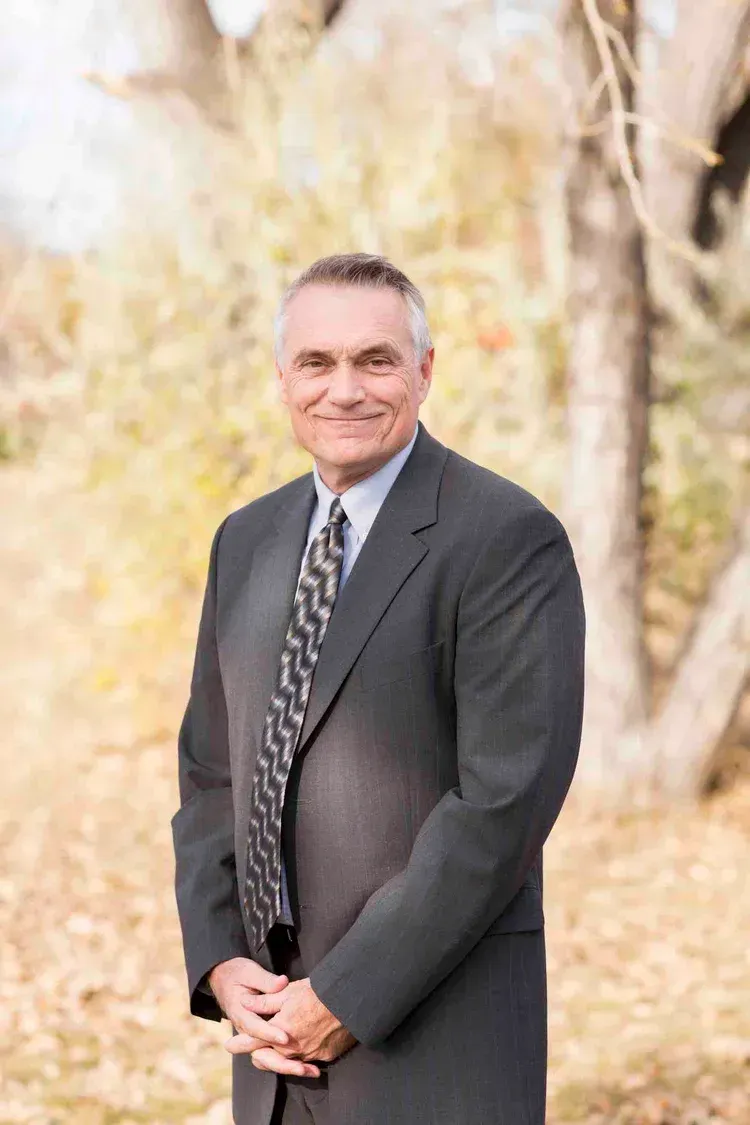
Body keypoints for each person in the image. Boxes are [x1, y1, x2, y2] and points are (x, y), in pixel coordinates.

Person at [171, 252, 586, 1125]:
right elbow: (213, 771)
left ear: (425, 371)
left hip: (434, 1041)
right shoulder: (246, 540)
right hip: (271, 1049)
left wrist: (347, 994)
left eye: (376, 359)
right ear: (283, 379)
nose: (344, 389)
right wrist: (217, 956)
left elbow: (502, 802)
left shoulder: (506, 537)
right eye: (316, 363)